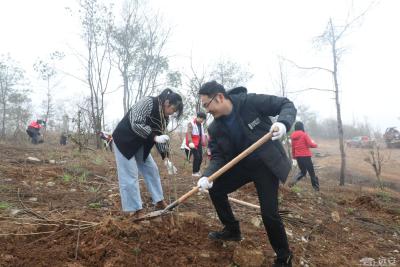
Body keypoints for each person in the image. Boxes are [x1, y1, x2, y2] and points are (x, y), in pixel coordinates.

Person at [196, 81, 296, 267]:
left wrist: (283, 123)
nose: (207, 110)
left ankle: (284, 257)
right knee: (216, 189)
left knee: (269, 214)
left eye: (206, 105)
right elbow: (218, 156)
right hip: (242, 166)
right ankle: (232, 230)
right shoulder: (215, 128)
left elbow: (286, 104)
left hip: (265, 164)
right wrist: (207, 175)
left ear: (219, 97)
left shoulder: (250, 102)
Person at [112, 88, 183, 218]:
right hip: (124, 141)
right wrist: (154, 137)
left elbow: (161, 137)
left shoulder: (164, 118)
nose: (172, 113)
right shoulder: (148, 102)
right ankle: (135, 210)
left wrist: (166, 158)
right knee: (130, 174)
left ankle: (159, 200)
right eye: (173, 109)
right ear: (166, 102)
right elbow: (136, 123)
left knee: (152, 169)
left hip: (141, 144)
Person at [289, 121, 319, 191]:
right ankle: (316, 189)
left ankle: (293, 182)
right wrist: (316, 144)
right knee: (312, 173)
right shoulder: (304, 135)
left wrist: (294, 157)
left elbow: (293, 147)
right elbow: (310, 144)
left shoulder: (292, 136)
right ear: (302, 127)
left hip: (298, 157)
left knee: (303, 172)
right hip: (306, 157)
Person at [186, 111, 207, 177]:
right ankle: (194, 172)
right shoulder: (191, 124)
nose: (202, 121)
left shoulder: (201, 124)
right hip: (193, 143)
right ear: (198, 117)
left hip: (199, 143)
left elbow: (201, 133)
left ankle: (197, 171)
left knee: (200, 157)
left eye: (203, 120)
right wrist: (190, 142)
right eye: (202, 119)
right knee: (197, 157)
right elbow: (189, 133)